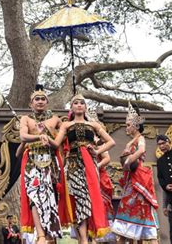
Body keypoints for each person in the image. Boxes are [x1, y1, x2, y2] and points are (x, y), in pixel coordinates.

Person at [49, 94, 115, 244]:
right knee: (79, 198)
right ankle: (83, 239)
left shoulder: (94, 125)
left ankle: (85, 239)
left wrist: (97, 152)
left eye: (82, 103)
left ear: (85, 107)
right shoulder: (66, 125)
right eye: (76, 103)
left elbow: (111, 142)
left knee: (87, 199)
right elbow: (56, 144)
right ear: (71, 107)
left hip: (90, 165)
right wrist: (42, 136)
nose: (79, 105)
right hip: (72, 165)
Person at [19, 84, 69, 244]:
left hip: (51, 162)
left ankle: (50, 235)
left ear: (47, 102)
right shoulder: (26, 119)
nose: (40, 101)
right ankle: (40, 234)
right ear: (31, 103)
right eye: (36, 99)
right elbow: (23, 136)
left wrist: (49, 137)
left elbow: (64, 138)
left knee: (51, 196)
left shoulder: (55, 119)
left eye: (42, 99)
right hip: (32, 161)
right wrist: (38, 137)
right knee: (34, 196)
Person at [111, 103, 159, 244]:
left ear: (136, 126)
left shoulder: (140, 139)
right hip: (131, 180)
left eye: (128, 125)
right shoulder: (129, 142)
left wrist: (129, 159)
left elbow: (141, 151)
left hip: (139, 179)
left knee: (141, 210)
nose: (126, 128)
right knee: (126, 211)